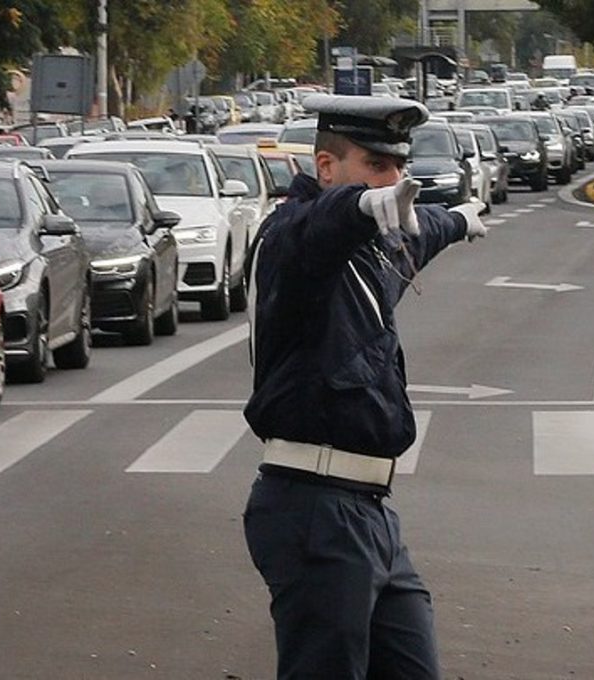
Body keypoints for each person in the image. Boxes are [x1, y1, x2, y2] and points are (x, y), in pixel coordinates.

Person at [242, 94, 488, 679]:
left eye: (399, 167)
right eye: (377, 166)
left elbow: (415, 231)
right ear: (326, 168)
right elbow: (317, 227)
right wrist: (360, 206)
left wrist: (455, 221)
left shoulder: (374, 245)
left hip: (370, 510)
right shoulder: (292, 240)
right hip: (312, 505)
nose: (395, 179)